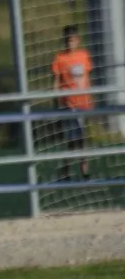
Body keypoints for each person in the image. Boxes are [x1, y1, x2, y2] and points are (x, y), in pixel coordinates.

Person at [51, 25, 93, 180]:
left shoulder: (83, 55)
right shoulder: (60, 58)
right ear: (64, 41)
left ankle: (67, 169)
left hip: (83, 103)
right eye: (68, 40)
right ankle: (82, 169)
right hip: (69, 104)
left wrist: (90, 98)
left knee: (78, 139)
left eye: (73, 40)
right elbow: (56, 82)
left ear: (78, 40)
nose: (71, 43)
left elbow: (87, 78)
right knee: (76, 138)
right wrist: (56, 102)